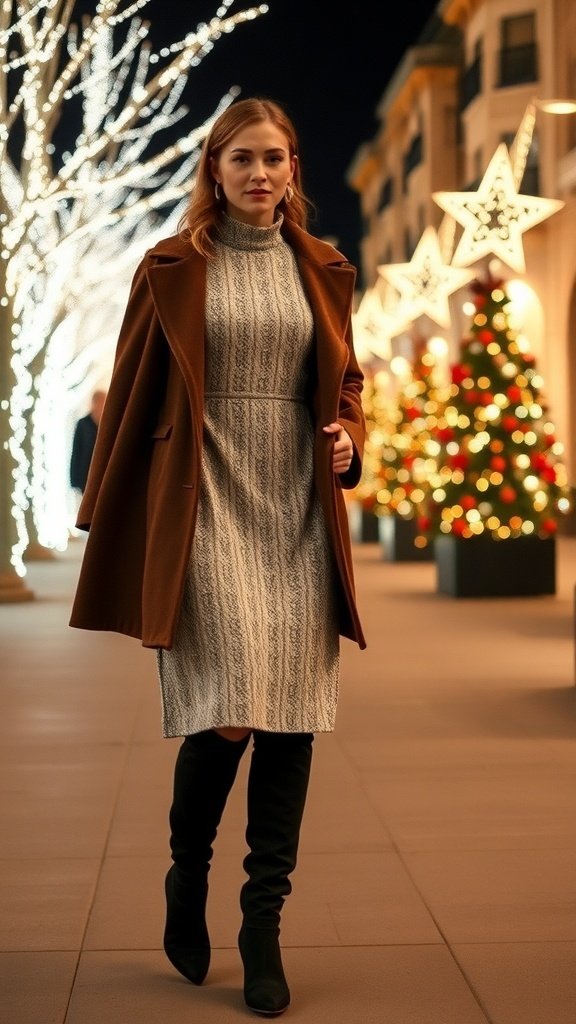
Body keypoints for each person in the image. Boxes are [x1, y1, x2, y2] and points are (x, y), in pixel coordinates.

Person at [69, 97, 366, 1016]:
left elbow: (347, 377)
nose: (260, 174)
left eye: (275, 158)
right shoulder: (171, 266)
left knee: (290, 717)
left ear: (293, 168)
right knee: (231, 709)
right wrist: (113, 514)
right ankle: (186, 871)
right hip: (204, 504)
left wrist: (352, 433)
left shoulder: (322, 266)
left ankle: (262, 923)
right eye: (242, 159)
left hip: (296, 504)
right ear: (215, 168)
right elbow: (129, 392)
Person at [69, 389, 107, 494]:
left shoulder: (106, 425)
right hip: (86, 477)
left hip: (102, 476)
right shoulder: (83, 424)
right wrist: (76, 480)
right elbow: (77, 452)